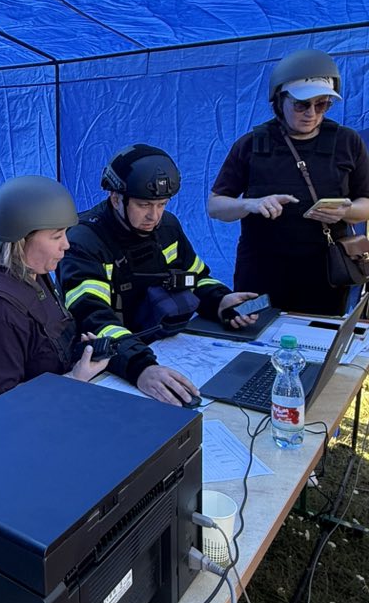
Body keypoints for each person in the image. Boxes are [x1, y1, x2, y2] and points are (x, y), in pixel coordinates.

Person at [56, 145, 258, 406]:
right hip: (112, 365)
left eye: (162, 204)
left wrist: (219, 300)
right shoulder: (84, 241)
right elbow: (93, 318)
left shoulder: (167, 227)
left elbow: (196, 276)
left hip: (164, 350)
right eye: (144, 205)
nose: (154, 215)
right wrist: (141, 367)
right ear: (116, 198)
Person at [208, 49, 369, 315]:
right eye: (301, 105)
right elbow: (215, 206)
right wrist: (251, 204)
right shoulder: (252, 144)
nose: (311, 113)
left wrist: (346, 211)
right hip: (261, 274)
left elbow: (366, 203)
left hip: (325, 276)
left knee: (320, 335)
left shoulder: (347, 142)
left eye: (322, 104)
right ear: (279, 100)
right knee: (255, 331)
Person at [0, 175, 110, 397]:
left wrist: (80, 353)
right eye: (56, 236)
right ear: (21, 241)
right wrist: (74, 378)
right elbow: (1, 401)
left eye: (65, 234)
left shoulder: (31, 271)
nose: (66, 245)